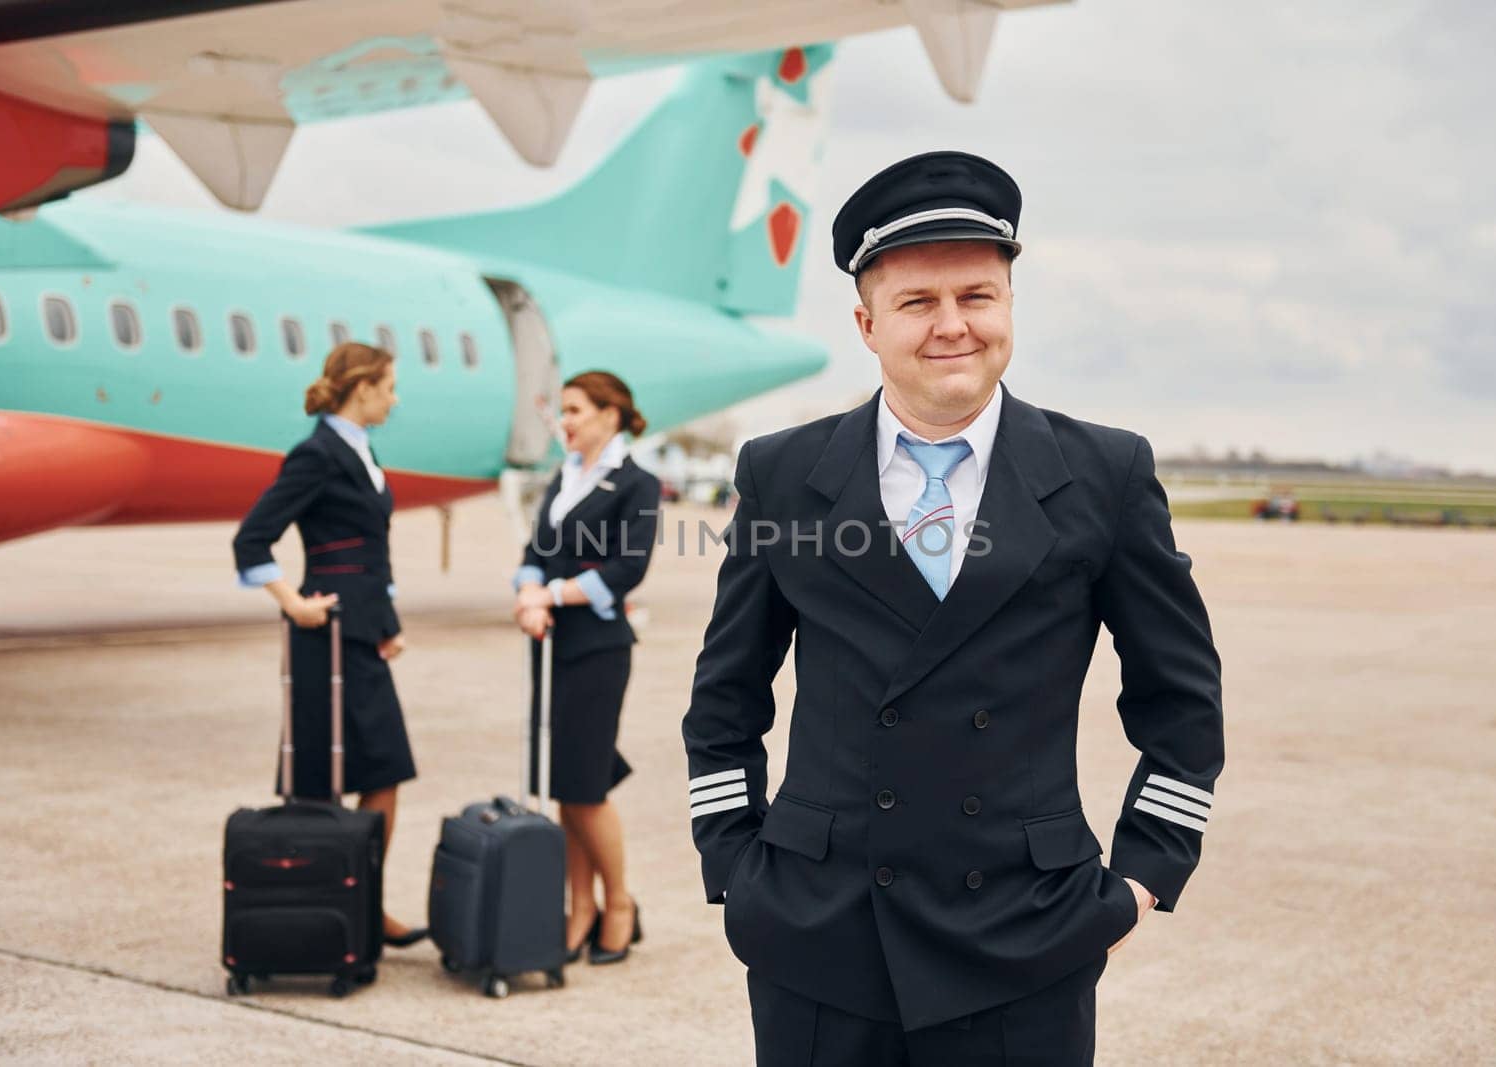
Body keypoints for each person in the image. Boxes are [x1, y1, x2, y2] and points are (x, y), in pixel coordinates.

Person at [681, 151, 1226, 1064]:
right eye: (916, 303)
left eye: (976, 296)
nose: (952, 327)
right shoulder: (781, 474)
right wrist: (735, 865)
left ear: (1010, 305)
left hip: (1025, 937)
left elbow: (1184, 701)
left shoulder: (1106, 473)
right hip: (818, 938)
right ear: (866, 323)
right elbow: (725, 694)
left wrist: (1142, 875)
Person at [232, 341, 427, 949]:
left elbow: (372, 550)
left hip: (365, 633)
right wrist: (292, 602)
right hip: (325, 635)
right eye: (389, 386)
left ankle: (363, 900)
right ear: (362, 387)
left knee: (385, 767)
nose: (395, 399)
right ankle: (321, 907)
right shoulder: (315, 454)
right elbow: (252, 540)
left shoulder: (362, 451)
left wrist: (386, 620)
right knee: (319, 779)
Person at [511, 371, 661, 966]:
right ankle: (580, 907)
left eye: (574, 410)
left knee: (586, 784)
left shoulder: (637, 483)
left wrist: (552, 595)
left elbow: (628, 569)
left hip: (597, 646)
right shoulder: (565, 476)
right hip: (548, 640)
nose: (564, 421)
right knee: (562, 784)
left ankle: (618, 903)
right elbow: (533, 552)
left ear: (610, 414)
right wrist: (528, 593)